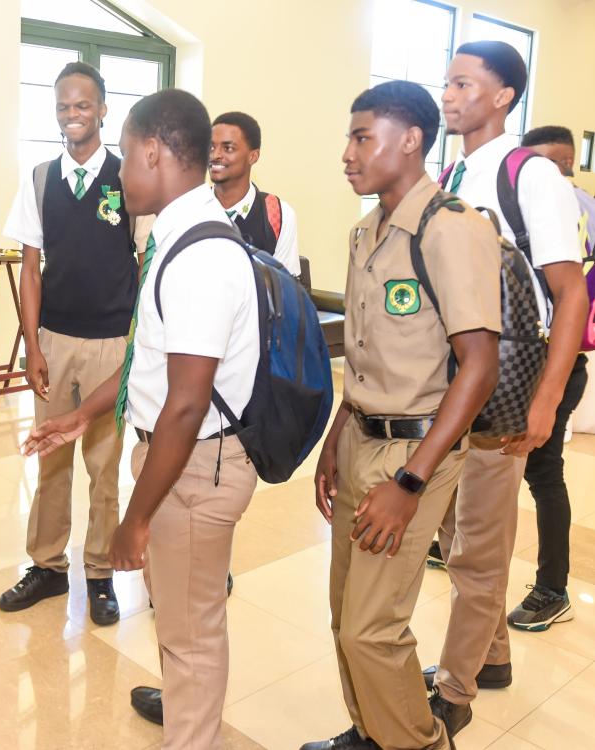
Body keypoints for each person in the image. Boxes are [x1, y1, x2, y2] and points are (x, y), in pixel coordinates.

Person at [25, 87, 260, 750]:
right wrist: (81, 417)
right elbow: (149, 364)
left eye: (127, 155)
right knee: (179, 621)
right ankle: (186, 707)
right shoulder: (173, 234)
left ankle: (192, 736)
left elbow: (187, 404)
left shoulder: (201, 254)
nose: (121, 172)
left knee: (191, 632)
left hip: (195, 466)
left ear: (154, 153)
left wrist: (136, 519)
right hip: (173, 458)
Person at [302, 80, 501, 750]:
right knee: (343, 616)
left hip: (417, 453)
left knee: (372, 629)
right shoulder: (367, 231)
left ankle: (419, 742)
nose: (347, 154)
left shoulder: (452, 230)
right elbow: (364, 358)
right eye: (350, 138)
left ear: (411, 139)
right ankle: (370, 731)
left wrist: (411, 483)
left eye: (362, 137)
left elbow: (477, 366)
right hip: (361, 439)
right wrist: (335, 439)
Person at [421, 41, 587, 735]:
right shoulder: (459, 169)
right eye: (448, 81)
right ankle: (489, 658)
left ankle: (454, 697)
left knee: (479, 548)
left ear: (503, 97)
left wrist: (546, 401)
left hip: (509, 388)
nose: (449, 93)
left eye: (464, 83)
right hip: (463, 378)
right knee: (462, 527)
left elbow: (571, 294)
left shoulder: (529, 175)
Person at [0, 61, 148, 626]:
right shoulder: (40, 179)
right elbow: (30, 268)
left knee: (105, 467)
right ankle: (46, 566)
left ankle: (100, 571)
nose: (72, 115)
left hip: (112, 343)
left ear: (103, 109)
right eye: (63, 106)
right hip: (55, 342)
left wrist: (136, 347)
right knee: (51, 459)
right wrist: (33, 348)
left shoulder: (128, 177)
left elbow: (142, 263)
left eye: (82, 105)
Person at [501, 124, 590, 631]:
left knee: (543, 472)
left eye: (557, 167)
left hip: (556, 361)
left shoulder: (575, 209)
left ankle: (553, 588)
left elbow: (574, 295)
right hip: (514, 360)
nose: (544, 178)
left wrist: (549, 388)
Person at [209, 111, 301, 275]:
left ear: (253, 156)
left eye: (228, 148)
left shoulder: (279, 215)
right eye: (211, 147)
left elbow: (283, 289)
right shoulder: (191, 209)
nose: (215, 155)